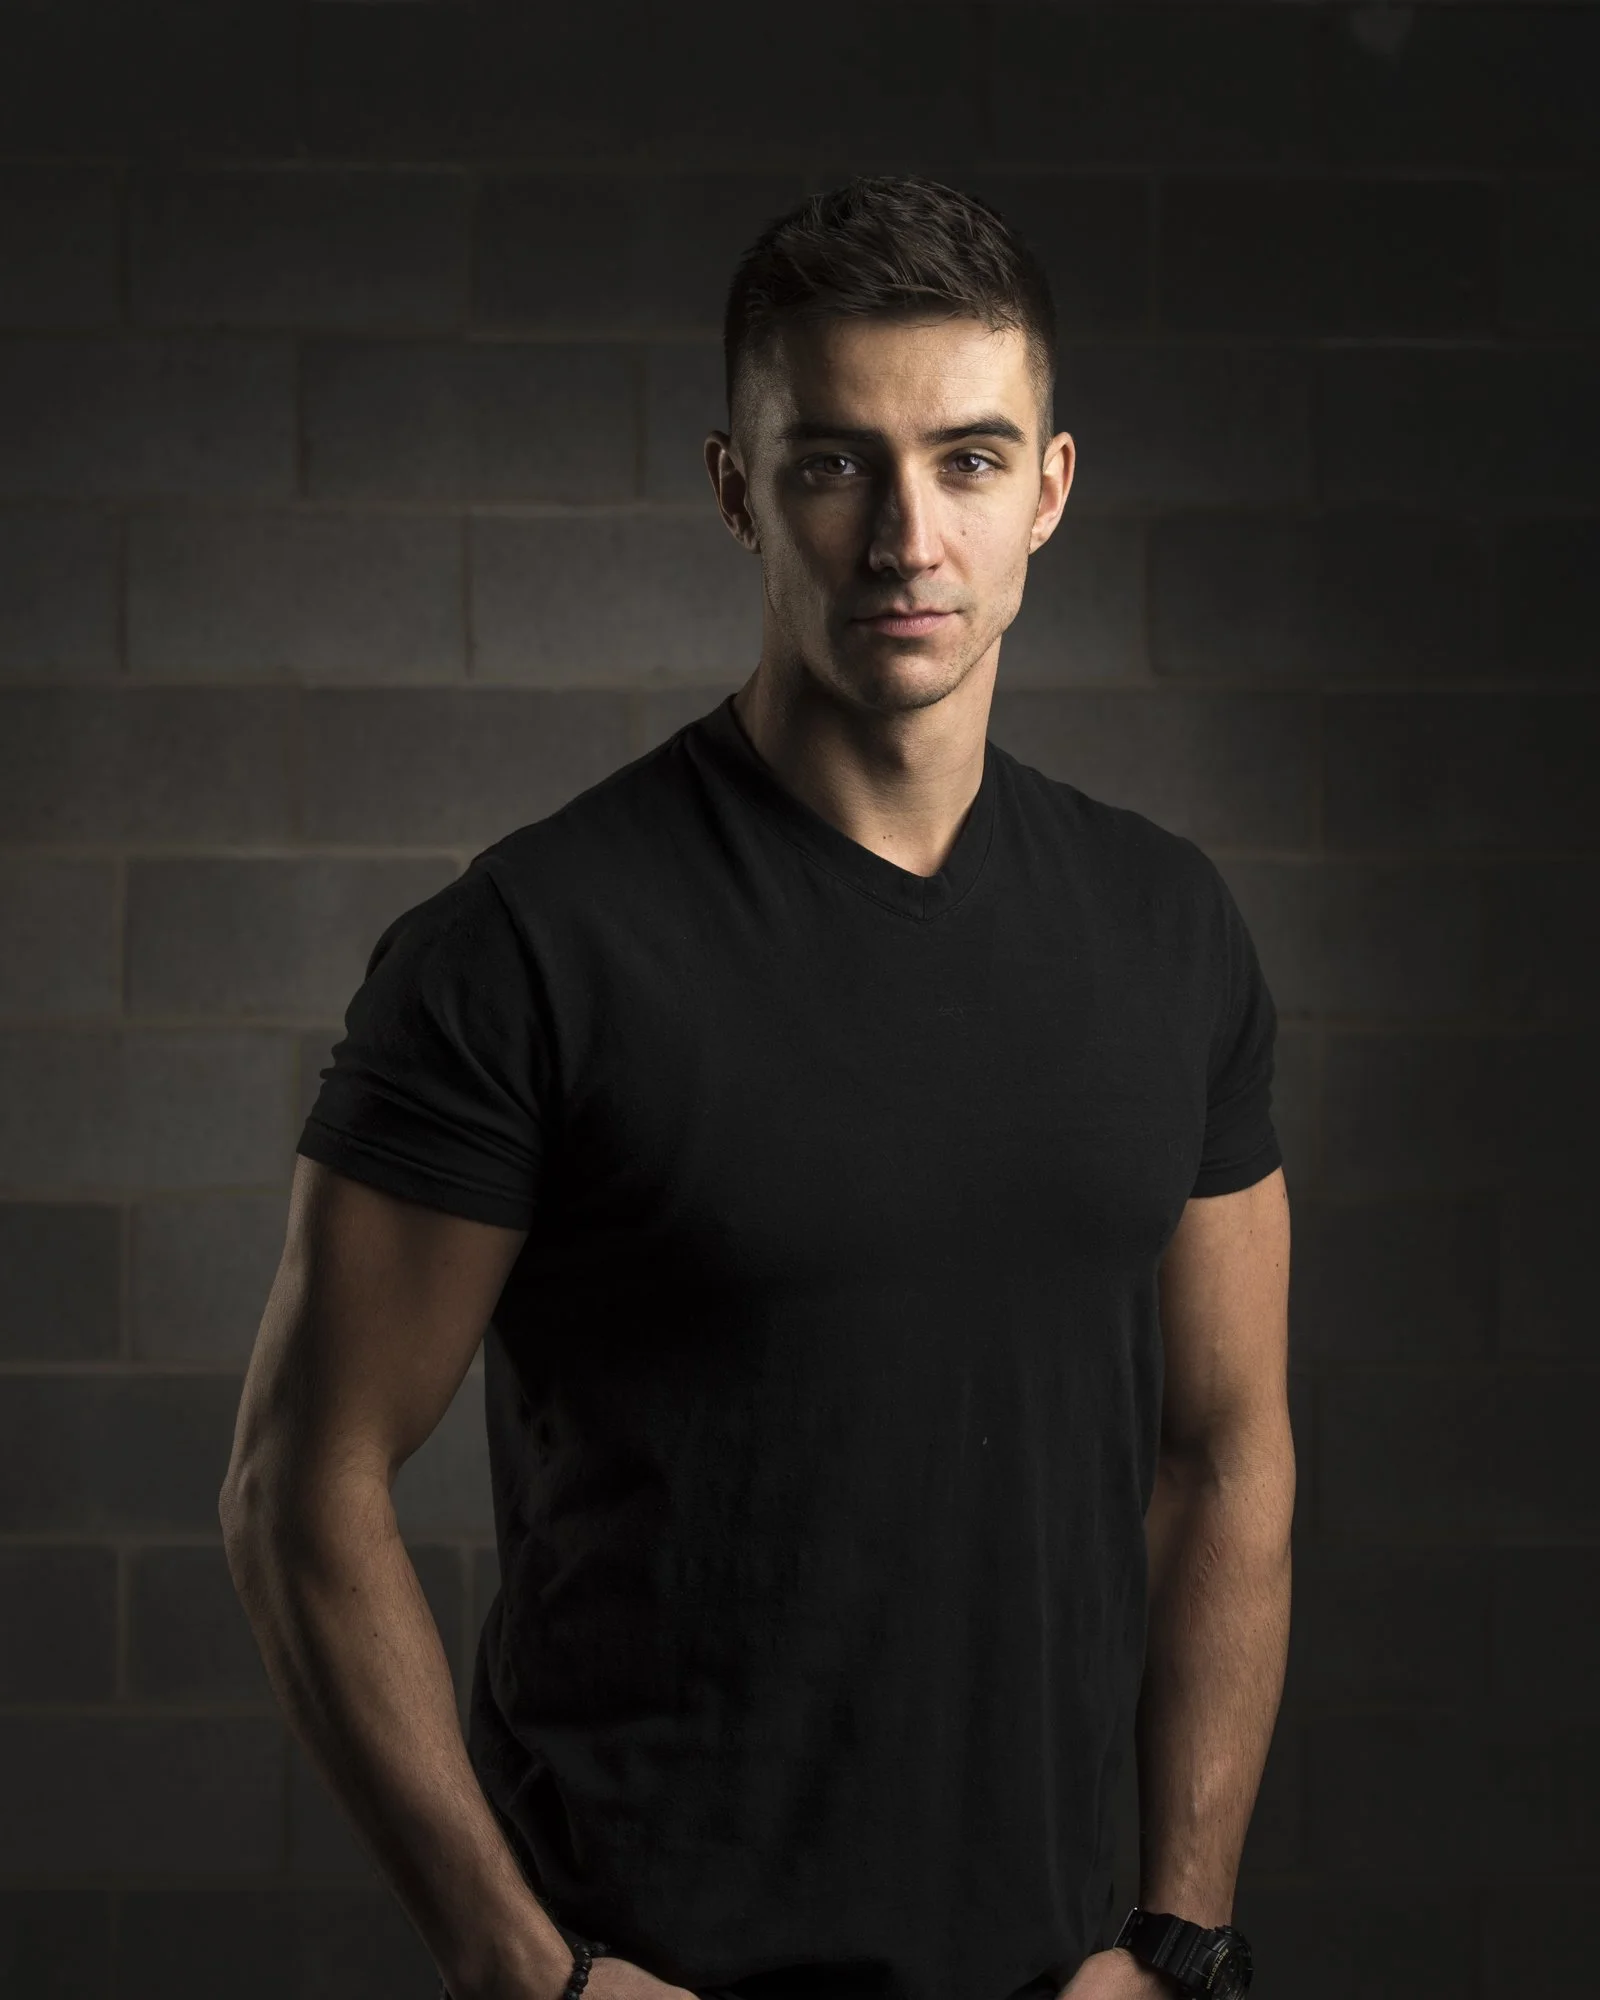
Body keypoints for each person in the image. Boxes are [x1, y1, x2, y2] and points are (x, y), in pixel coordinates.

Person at [220, 174, 1293, 2000]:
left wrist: (1178, 1936)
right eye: (831, 464)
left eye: (965, 461)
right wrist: (526, 1972)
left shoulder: (1169, 927)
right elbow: (295, 1485)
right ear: (737, 488)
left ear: (1048, 490)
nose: (904, 538)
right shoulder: (530, 945)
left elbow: (1226, 1449)